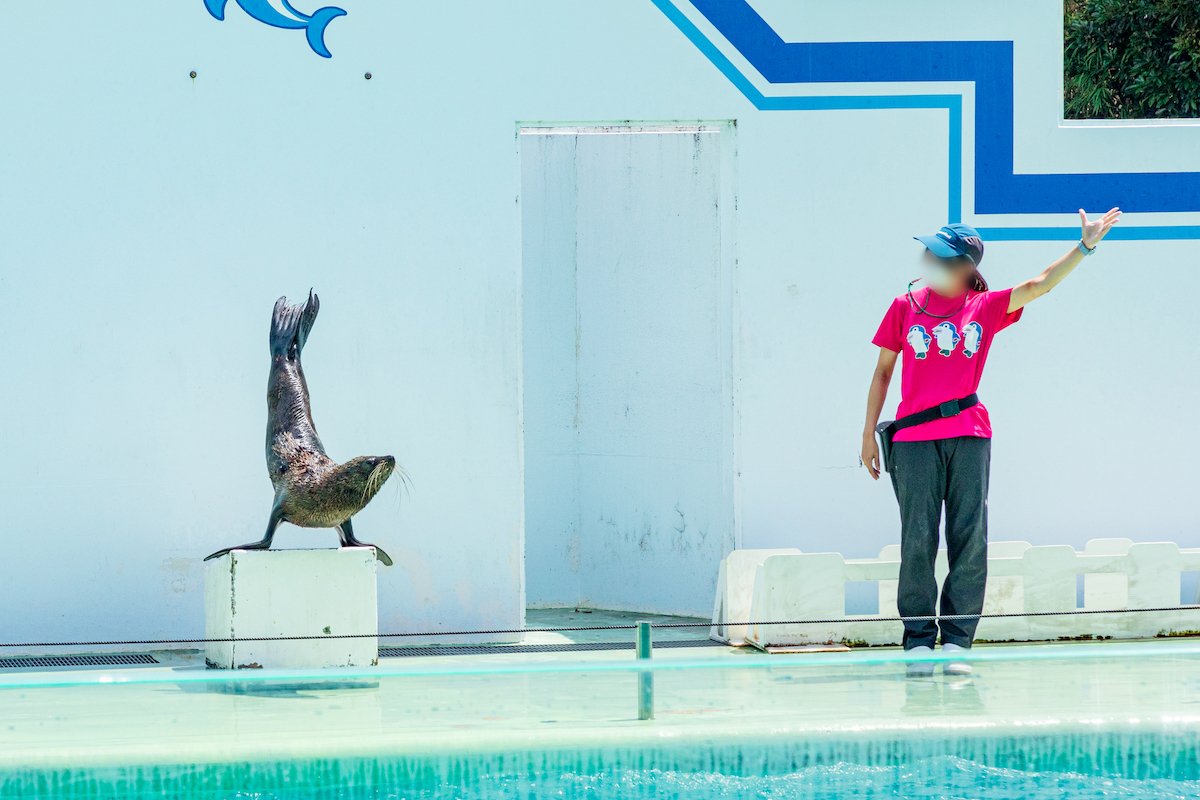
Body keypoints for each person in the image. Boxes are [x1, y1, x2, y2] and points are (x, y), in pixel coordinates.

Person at [861, 209, 1121, 677]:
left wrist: (1084, 247)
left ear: (965, 266)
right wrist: (867, 434)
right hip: (914, 438)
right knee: (917, 538)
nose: (928, 260)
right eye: (928, 252)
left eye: (940, 255)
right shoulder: (905, 307)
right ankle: (918, 640)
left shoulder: (984, 307)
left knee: (969, 535)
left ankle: (957, 640)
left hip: (969, 433)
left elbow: (1040, 284)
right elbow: (883, 372)